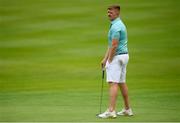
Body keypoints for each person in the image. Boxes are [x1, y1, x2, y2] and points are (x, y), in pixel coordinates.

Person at [98, 5, 133, 118]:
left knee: (113, 83)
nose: (109, 14)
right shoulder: (117, 24)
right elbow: (111, 45)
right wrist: (105, 58)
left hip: (117, 57)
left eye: (111, 12)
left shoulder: (116, 27)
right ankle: (128, 109)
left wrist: (110, 60)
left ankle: (111, 110)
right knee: (121, 82)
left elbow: (114, 45)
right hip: (124, 56)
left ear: (117, 13)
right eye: (108, 12)